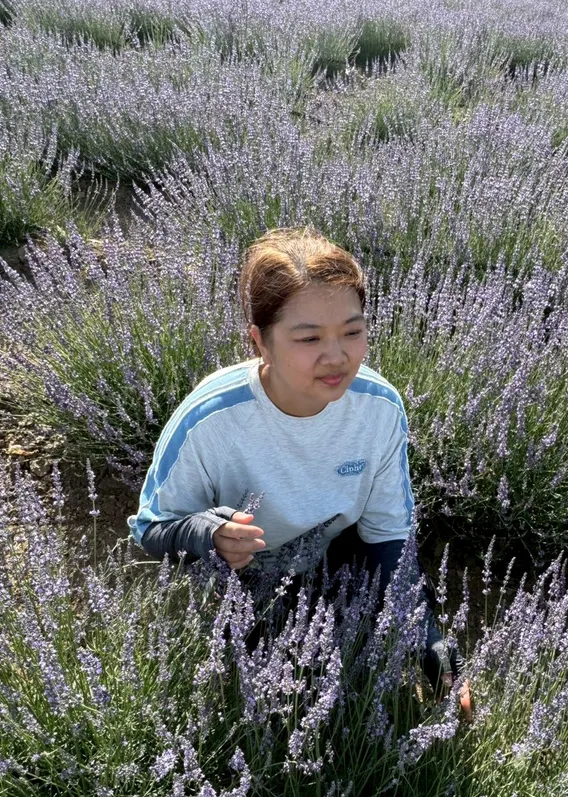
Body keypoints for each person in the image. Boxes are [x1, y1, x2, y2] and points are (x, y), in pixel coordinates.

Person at [127, 226, 471, 720]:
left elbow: (387, 535)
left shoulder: (379, 408)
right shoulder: (211, 419)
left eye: (353, 331)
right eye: (308, 338)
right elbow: (151, 528)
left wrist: (428, 638)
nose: (337, 356)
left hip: (334, 558)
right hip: (242, 577)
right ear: (260, 343)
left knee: (356, 680)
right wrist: (210, 532)